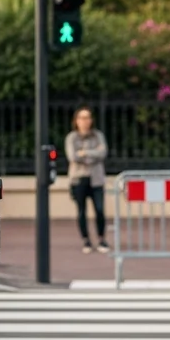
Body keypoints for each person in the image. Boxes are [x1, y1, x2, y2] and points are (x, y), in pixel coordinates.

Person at [65, 106, 110, 254]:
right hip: (78, 178)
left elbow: (102, 153)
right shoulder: (72, 138)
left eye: (88, 118)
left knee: (99, 210)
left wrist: (84, 153)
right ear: (76, 121)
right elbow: (73, 156)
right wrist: (92, 155)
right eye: (82, 118)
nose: (85, 121)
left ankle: (102, 238)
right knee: (81, 211)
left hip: (96, 178)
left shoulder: (98, 136)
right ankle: (86, 240)